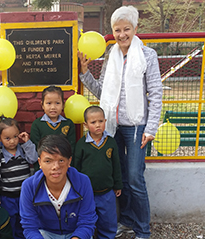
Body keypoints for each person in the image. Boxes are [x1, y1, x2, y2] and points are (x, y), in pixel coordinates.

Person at [78, 6, 163, 239]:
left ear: (136, 29)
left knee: (135, 178)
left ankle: (143, 229)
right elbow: (102, 91)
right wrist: (85, 74)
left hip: (137, 128)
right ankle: (125, 221)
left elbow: (155, 93)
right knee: (121, 175)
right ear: (112, 31)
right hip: (112, 126)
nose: (122, 34)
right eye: (117, 30)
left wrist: (151, 128)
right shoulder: (111, 56)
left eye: (126, 29)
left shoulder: (148, 55)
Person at [19, 134, 97, 239]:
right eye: (48, 161)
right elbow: (30, 227)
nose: (55, 167)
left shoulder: (83, 182)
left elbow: (87, 221)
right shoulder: (29, 186)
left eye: (61, 160)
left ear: (69, 161)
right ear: (40, 162)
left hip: (75, 233)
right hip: (45, 233)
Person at [72, 106, 122, 239]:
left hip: (107, 192)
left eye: (101, 121)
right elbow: (76, 167)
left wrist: (118, 185)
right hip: (87, 193)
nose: (98, 125)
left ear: (105, 121)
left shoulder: (110, 142)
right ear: (86, 125)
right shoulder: (81, 144)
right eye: (93, 122)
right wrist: (75, 187)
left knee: (108, 220)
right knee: (86, 219)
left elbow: (116, 165)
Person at [0, 116, 38, 239]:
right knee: (9, 222)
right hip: (7, 198)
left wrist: (27, 142)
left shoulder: (23, 151)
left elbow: (33, 158)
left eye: (15, 137)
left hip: (24, 196)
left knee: (24, 221)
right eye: (7, 138)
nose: (12, 141)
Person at [30, 86, 76, 170]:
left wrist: (68, 167)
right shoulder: (37, 124)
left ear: (63, 105)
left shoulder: (68, 124)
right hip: (44, 167)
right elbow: (36, 150)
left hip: (63, 166)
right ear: (42, 105)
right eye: (49, 103)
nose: (53, 107)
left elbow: (71, 149)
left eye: (57, 103)